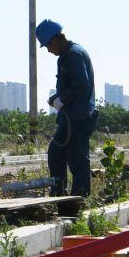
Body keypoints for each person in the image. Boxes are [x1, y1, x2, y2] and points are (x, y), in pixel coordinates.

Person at [35, 19, 96, 198]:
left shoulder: (73, 55)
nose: (48, 50)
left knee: (77, 160)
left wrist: (62, 99)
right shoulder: (66, 55)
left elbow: (81, 85)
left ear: (56, 39)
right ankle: (59, 195)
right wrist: (57, 98)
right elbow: (71, 86)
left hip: (78, 118)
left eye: (48, 45)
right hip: (70, 118)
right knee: (56, 152)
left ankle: (79, 201)